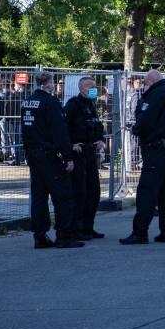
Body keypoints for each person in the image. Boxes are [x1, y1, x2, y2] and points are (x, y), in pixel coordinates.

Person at [120, 70, 165, 245]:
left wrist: (136, 129)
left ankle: (140, 232)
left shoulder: (156, 94)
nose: (144, 86)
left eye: (145, 83)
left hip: (156, 149)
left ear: (151, 81)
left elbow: (145, 120)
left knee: (147, 191)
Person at [21, 72, 83, 249]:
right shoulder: (50, 102)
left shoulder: (28, 102)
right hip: (50, 155)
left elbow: (25, 131)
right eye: (52, 82)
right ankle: (64, 236)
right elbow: (59, 132)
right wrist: (68, 157)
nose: (54, 85)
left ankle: (39, 236)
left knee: (39, 196)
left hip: (34, 155)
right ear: (48, 84)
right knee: (63, 196)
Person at [65, 77, 106, 241]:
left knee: (94, 192)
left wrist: (101, 139)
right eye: (91, 87)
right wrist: (70, 145)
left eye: (95, 87)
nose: (94, 89)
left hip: (90, 152)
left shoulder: (91, 104)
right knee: (80, 192)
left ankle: (89, 227)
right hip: (79, 153)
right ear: (82, 88)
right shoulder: (73, 104)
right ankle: (78, 228)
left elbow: (97, 126)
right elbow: (64, 126)